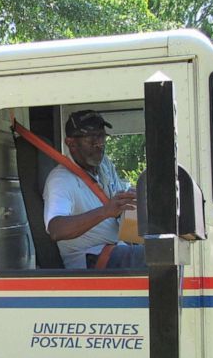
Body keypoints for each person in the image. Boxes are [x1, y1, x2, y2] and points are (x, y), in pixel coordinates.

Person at [43, 110, 145, 269]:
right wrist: (106, 210)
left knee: (163, 249)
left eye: (102, 136)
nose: (99, 144)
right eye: (91, 139)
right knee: (156, 258)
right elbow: (56, 229)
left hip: (118, 247)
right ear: (70, 143)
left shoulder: (104, 164)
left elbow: (117, 207)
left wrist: (130, 200)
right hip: (92, 258)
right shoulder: (60, 180)